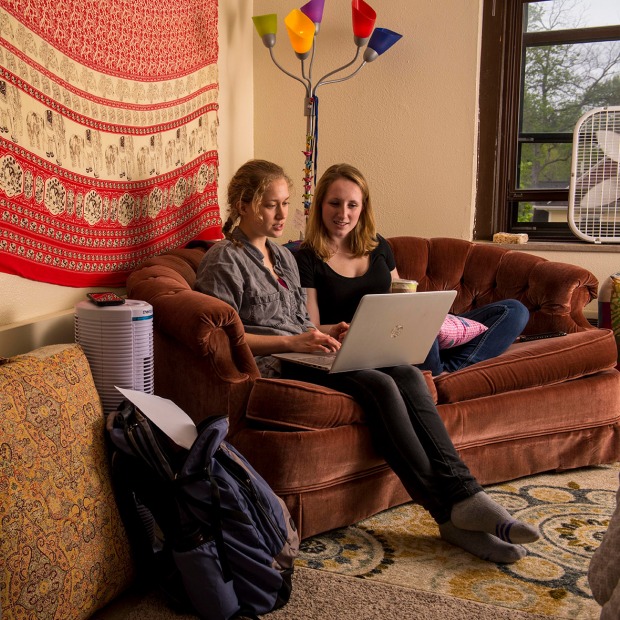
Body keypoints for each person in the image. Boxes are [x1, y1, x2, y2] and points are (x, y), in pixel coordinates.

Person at [195, 159, 539, 564]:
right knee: (379, 385)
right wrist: (294, 341)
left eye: (286, 203)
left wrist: (329, 334)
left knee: (408, 373)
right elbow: (222, 341)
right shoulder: (224, 260)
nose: (283, 215)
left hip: (311, 352)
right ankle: (450, 512)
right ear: (242, 203)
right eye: (272, 205)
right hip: (281, 365)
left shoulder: (281, 256)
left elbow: (304, 321)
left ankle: (464, 498)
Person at [295, 163, 530, 376]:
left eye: (352, 205)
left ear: (363, 208)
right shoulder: (307, 256)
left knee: (514, 311)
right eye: (334, 203)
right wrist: (351, 330)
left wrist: (418, 311)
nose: (343, 213)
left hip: (398, 333)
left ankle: (446, 370)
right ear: (320, 205)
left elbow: (399, 300)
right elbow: (312, 326)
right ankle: (437, 370)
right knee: (419, 337)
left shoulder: (378, 245)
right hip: (362, 345)